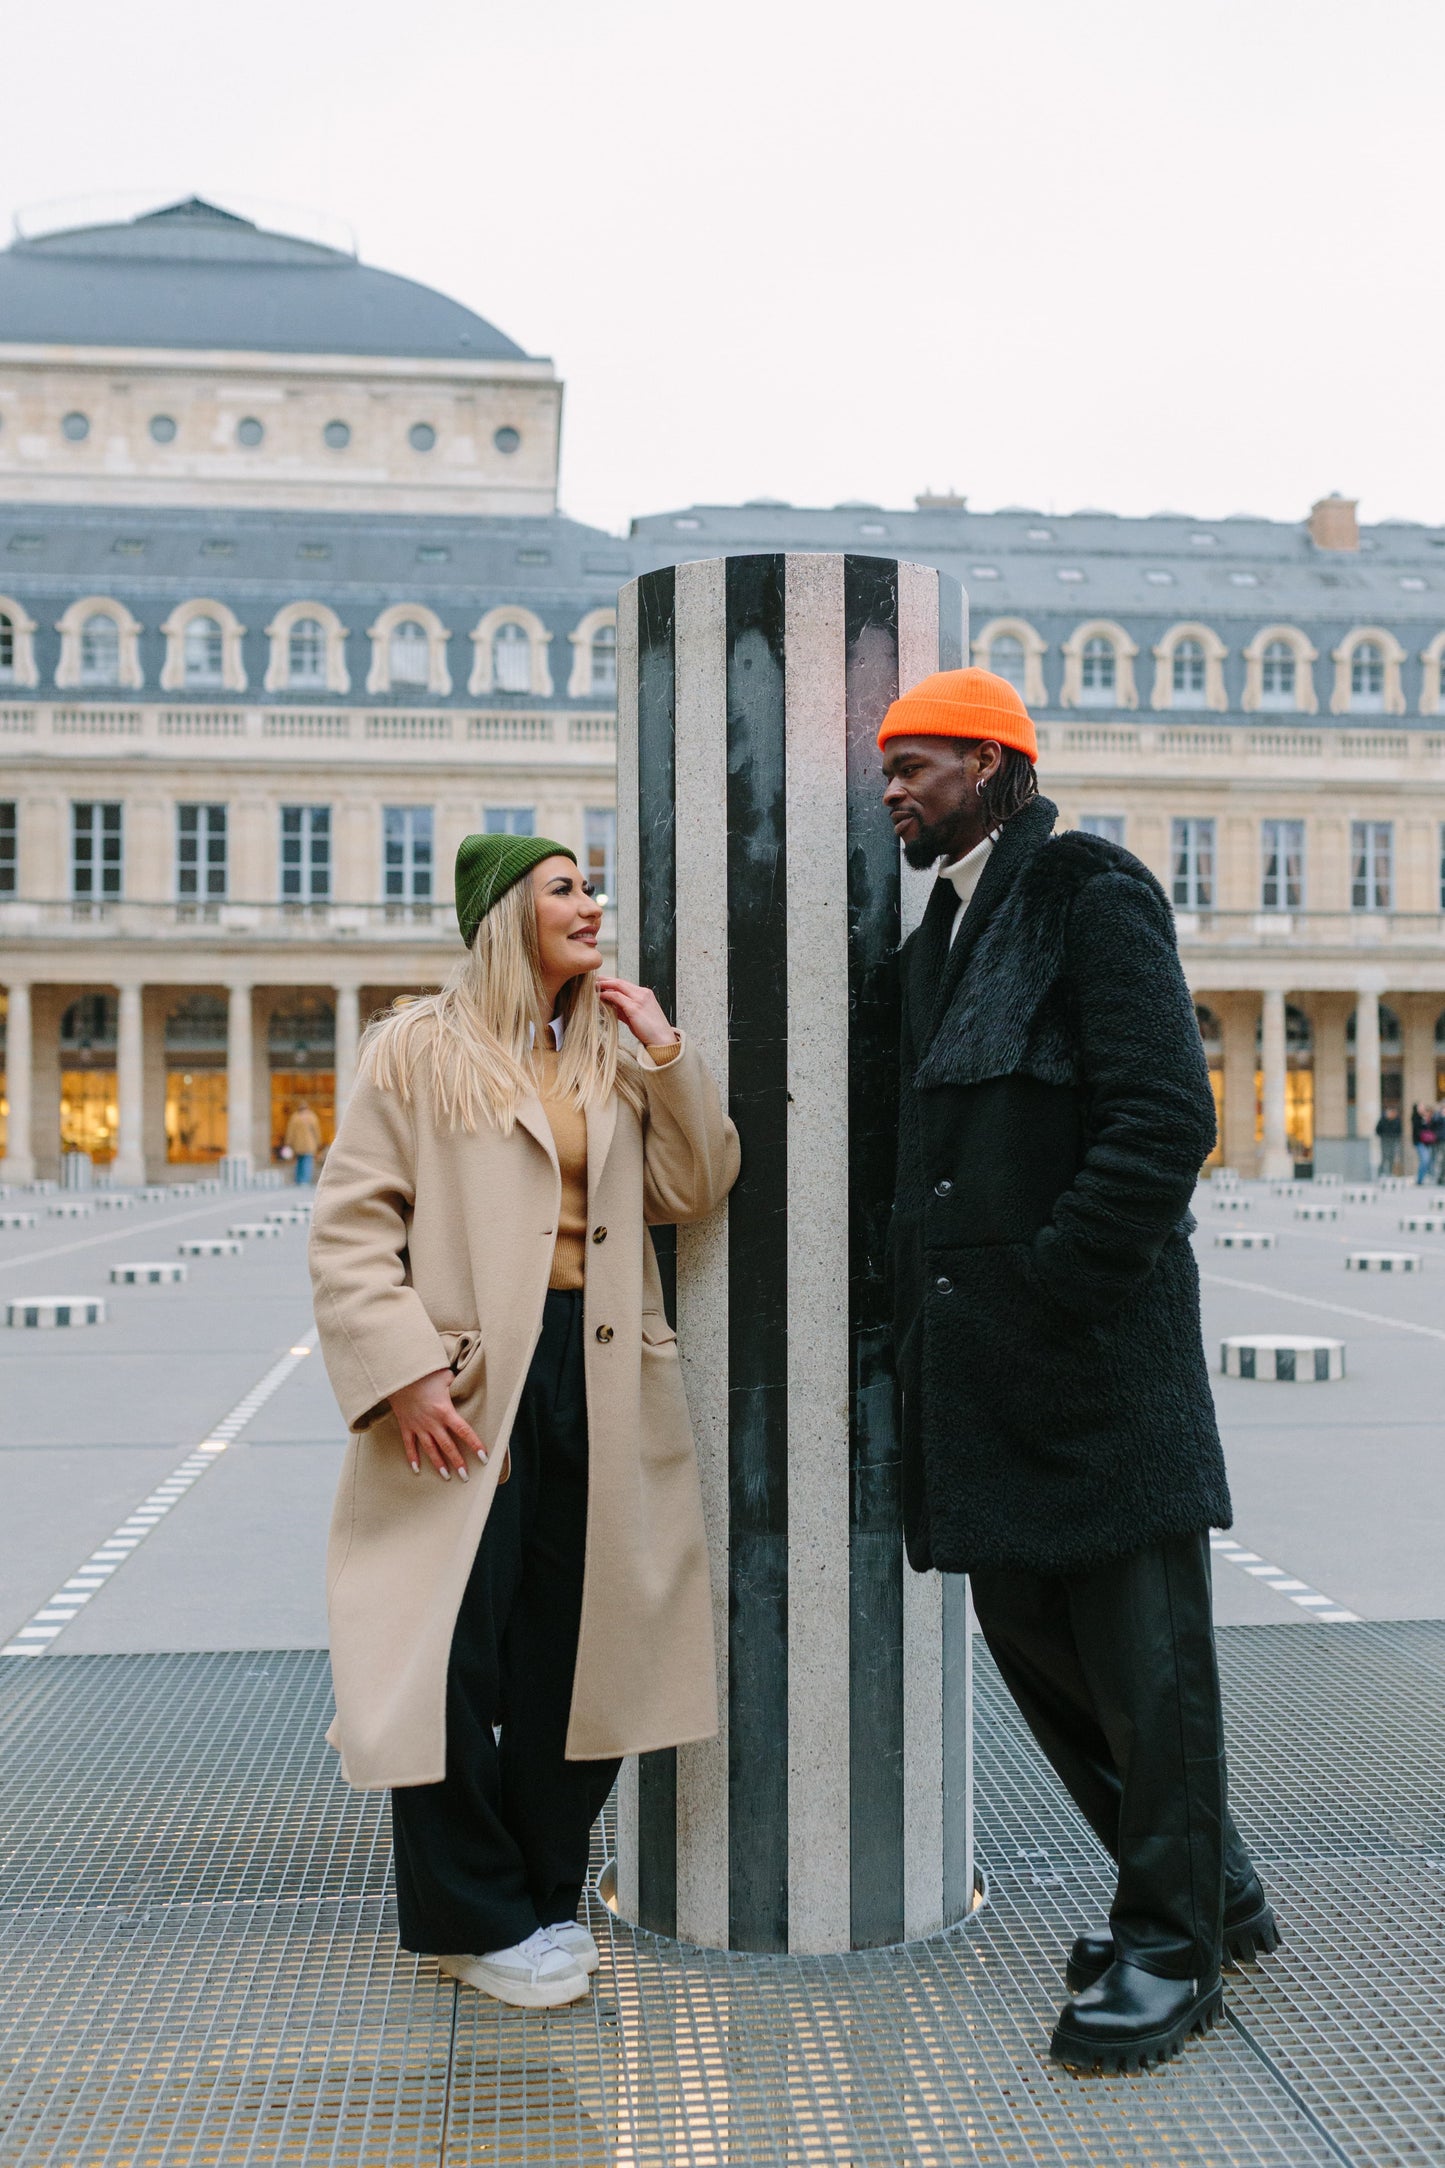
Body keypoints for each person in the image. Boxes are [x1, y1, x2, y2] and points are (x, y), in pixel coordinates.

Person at [879, 667, 1277, 2077]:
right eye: (886, 771)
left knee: (1145, 1665)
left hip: (1096, 1362)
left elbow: (1168, 1115)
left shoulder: (1086, 890)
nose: (892, 792)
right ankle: (1212, 1892)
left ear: (992, 765)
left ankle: (1170, 1947)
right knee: (1034, 1647)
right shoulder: (932, 930)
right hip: (983, 1373)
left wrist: (1058, 1282)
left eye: (915, 766)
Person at [309, 832, 738, 2009]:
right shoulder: (415, 1050)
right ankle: (469, 1915)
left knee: (585, 1641)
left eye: (590, 885)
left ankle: (542, 1892)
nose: (592, 903)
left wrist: (663, 1051)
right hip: (459, 1387)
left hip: (599, 1375)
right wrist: (405, 1376)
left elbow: (692, 1187)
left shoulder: (609, 1048)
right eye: (566, 888)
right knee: (443, 1650)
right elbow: (351, 1229)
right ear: (508, 914)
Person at [283, 1100, 322, 1185]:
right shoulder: (312, 1117)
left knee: (299, 1162)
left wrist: (288, 1142)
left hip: (298, 1144)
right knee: (307, 1162)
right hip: (310, 1144)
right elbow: (317, 1131)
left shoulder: (295, 1117)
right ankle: (305, 1180)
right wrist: (319, 1142)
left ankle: (299, 1179)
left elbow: (290, 1132)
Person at [1412, 1103, 1435, 1186]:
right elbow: (1417, 1127)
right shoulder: (1416, 1117)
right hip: (1419, 1142)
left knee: (1428, 1160)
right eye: (1420, 1107)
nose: (1423, 1108)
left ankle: (1424, 1178)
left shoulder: (1427, 1118)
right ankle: (1420, 1179)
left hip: (1427, 1142)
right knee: (1425, 1159)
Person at [1376, 1105, 1402, 1178]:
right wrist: (1383, 1135)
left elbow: (1399, 1131)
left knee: (1392, 1157)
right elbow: (1378, 1130)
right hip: (1384, 1141)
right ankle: (1381, 1173)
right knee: (1384, 1157)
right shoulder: (1382, 1120)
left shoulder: (1397, 1120)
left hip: (1393, 1141)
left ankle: (1390, 1173)